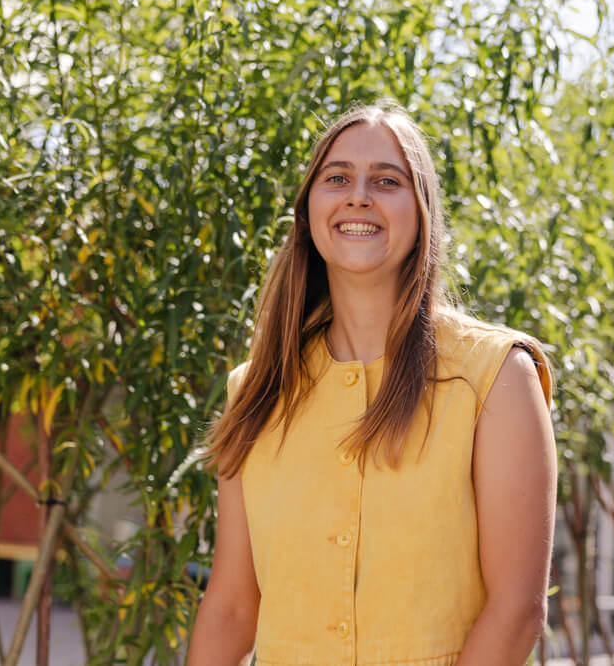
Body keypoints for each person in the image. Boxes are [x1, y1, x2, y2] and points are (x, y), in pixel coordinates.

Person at [186, 99, 556, 666]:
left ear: (422, 211)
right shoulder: (256, 388)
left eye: (387, 180)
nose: (359, 195)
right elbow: (233, 607)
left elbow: (515, 611)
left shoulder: (497, 375)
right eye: (337, 178)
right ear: (309, 210)